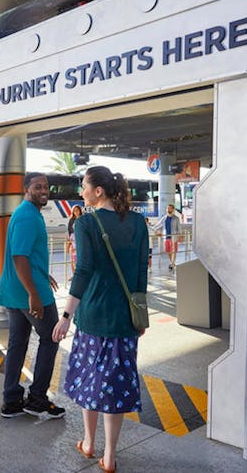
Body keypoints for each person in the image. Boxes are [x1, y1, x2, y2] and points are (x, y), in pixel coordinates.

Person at [52, 166, 148, 473]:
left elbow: (83, 271)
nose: (80, 191)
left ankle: (89, 442)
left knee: (90, 381)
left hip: (93, 317)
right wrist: (140, 312)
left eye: (83, 186)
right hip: (125, 320)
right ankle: (110, 456)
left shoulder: (86, 223)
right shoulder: (137, 222)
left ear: (98, 192)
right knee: (114, 387)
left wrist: (66, 315)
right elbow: (141, 271)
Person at [0, 172, 64, 419]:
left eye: (46, 186)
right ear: (26, 189)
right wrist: (34, 294)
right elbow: (19, 256)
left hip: (14, 291)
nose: (43, 190)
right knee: (51, 338)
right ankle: (37, 399)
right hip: (29, 293)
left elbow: (25, 254)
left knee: (17, 343)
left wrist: (42, 274)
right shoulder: (28, 216)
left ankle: (12, 400)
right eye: (37, 186)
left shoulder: (25, 213)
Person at [152, 204, 181, 270]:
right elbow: (157, 225)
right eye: (167, 208)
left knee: (173, 251)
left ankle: (172, 264)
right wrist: (155, 230)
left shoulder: (176, 218)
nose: (168, 210)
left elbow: (179, 227)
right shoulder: (164, 218)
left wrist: (180, 236)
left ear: (173, 210)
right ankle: (172, 263)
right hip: (166, 237)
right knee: (168, 251)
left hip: (174, 237)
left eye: (170, 208)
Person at [67, 204, 83, 275]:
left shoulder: (83, 219)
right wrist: (69, 243)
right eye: (74, 211)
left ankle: (79, 274)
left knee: (80, 258)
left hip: (81, 240)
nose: (76, 212)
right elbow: (70, 232)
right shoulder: (71, 220)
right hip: (73, 240)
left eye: (77, 210)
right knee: (72, 259)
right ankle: (74, 275)